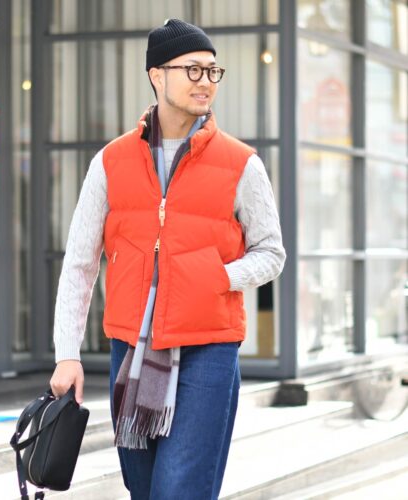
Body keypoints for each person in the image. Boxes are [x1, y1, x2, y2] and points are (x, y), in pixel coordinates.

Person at [50, 19, 286, 500]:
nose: (205, 81)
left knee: (179, 489)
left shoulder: (242, 163)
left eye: (212, 71)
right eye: (192, 69)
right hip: (131, 349)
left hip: (208, 349)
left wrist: (216, 277)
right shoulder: (110, 161)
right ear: (157, 75)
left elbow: (271, 253)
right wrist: (67, 354)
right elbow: (80, 263)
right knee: (142, 489)